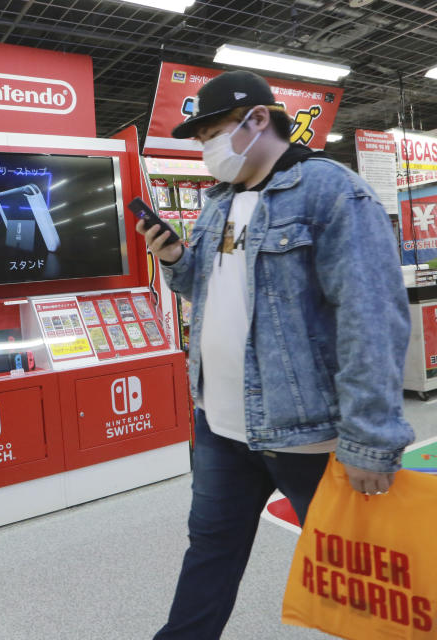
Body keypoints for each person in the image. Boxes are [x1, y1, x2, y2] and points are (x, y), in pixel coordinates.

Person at [138, 70, 415, 639]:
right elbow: (210, 289)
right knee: (209, 552)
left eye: (212, 132)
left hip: (306, 433)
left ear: (257, 119)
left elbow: (372, 317)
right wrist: (173, 259)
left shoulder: (332, 191)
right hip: (219, 424)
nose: (207, 149)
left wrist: (371, 436)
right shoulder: (219, 204)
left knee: (359, 573)